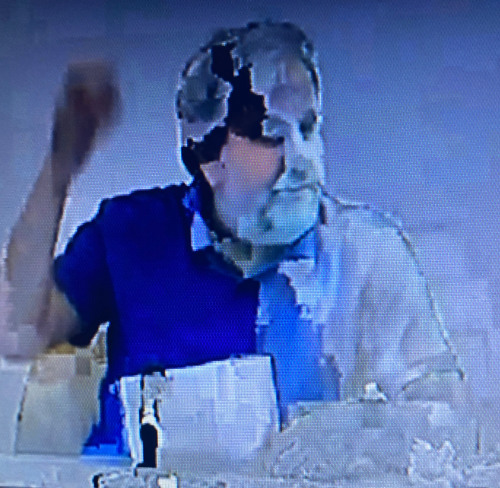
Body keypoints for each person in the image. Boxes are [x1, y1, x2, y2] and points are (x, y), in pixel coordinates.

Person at [3, 22, 463, 451]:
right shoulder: (130, 231)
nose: (303, 158)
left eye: (308, 128)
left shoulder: (369, 254)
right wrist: (61, 165)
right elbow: (19, 332)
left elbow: (448, 422)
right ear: (207, 154)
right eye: (272, 133)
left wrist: (340, 436)